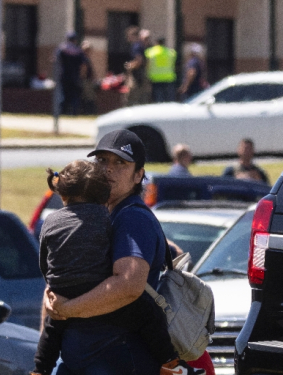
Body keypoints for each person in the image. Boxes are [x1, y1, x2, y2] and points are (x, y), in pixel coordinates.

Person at [44, 129, 190, 375]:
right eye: (101, 160)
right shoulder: (94, 215)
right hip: (82, 360)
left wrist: (66, 309)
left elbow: (129, 285)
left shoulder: (132, 217)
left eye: (120, 163)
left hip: (118, 358)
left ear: (138, 176)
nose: (108, 169)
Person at [56, 32, 90, 116]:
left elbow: (55, 61)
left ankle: (62, 113)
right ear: (75, 40)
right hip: (75, 76)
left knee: (63, 95)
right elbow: (84, 64)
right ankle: (74, 113)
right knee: (74, 95)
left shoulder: (61, 50)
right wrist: (82, 76)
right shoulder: (78, 51)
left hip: (63, 76)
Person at [125, 27, 151, 106]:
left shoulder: (136, 46)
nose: (128, 38)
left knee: (131, 96)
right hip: (143, 74)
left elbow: (139, 61)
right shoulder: (142, 46)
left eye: (129, 36)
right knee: (143, 96)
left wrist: (130, 66)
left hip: (137, 75)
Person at [145, 38, 177, 103]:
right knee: (169, 99)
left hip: (155, 78)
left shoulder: (151, 52)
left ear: (156, 43)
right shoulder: (171, 52)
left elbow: (148, 65)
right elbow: (173, 65)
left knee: (158, 99)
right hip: (168, 77)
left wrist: (146, 75)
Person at [79, 40, 97, 114]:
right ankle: (89, 112)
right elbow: (83, 70)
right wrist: (82, 79)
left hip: (87, 80)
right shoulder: (84, 58)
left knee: (87, 97)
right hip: (86, 81)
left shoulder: (86, 58)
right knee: (89, 97)